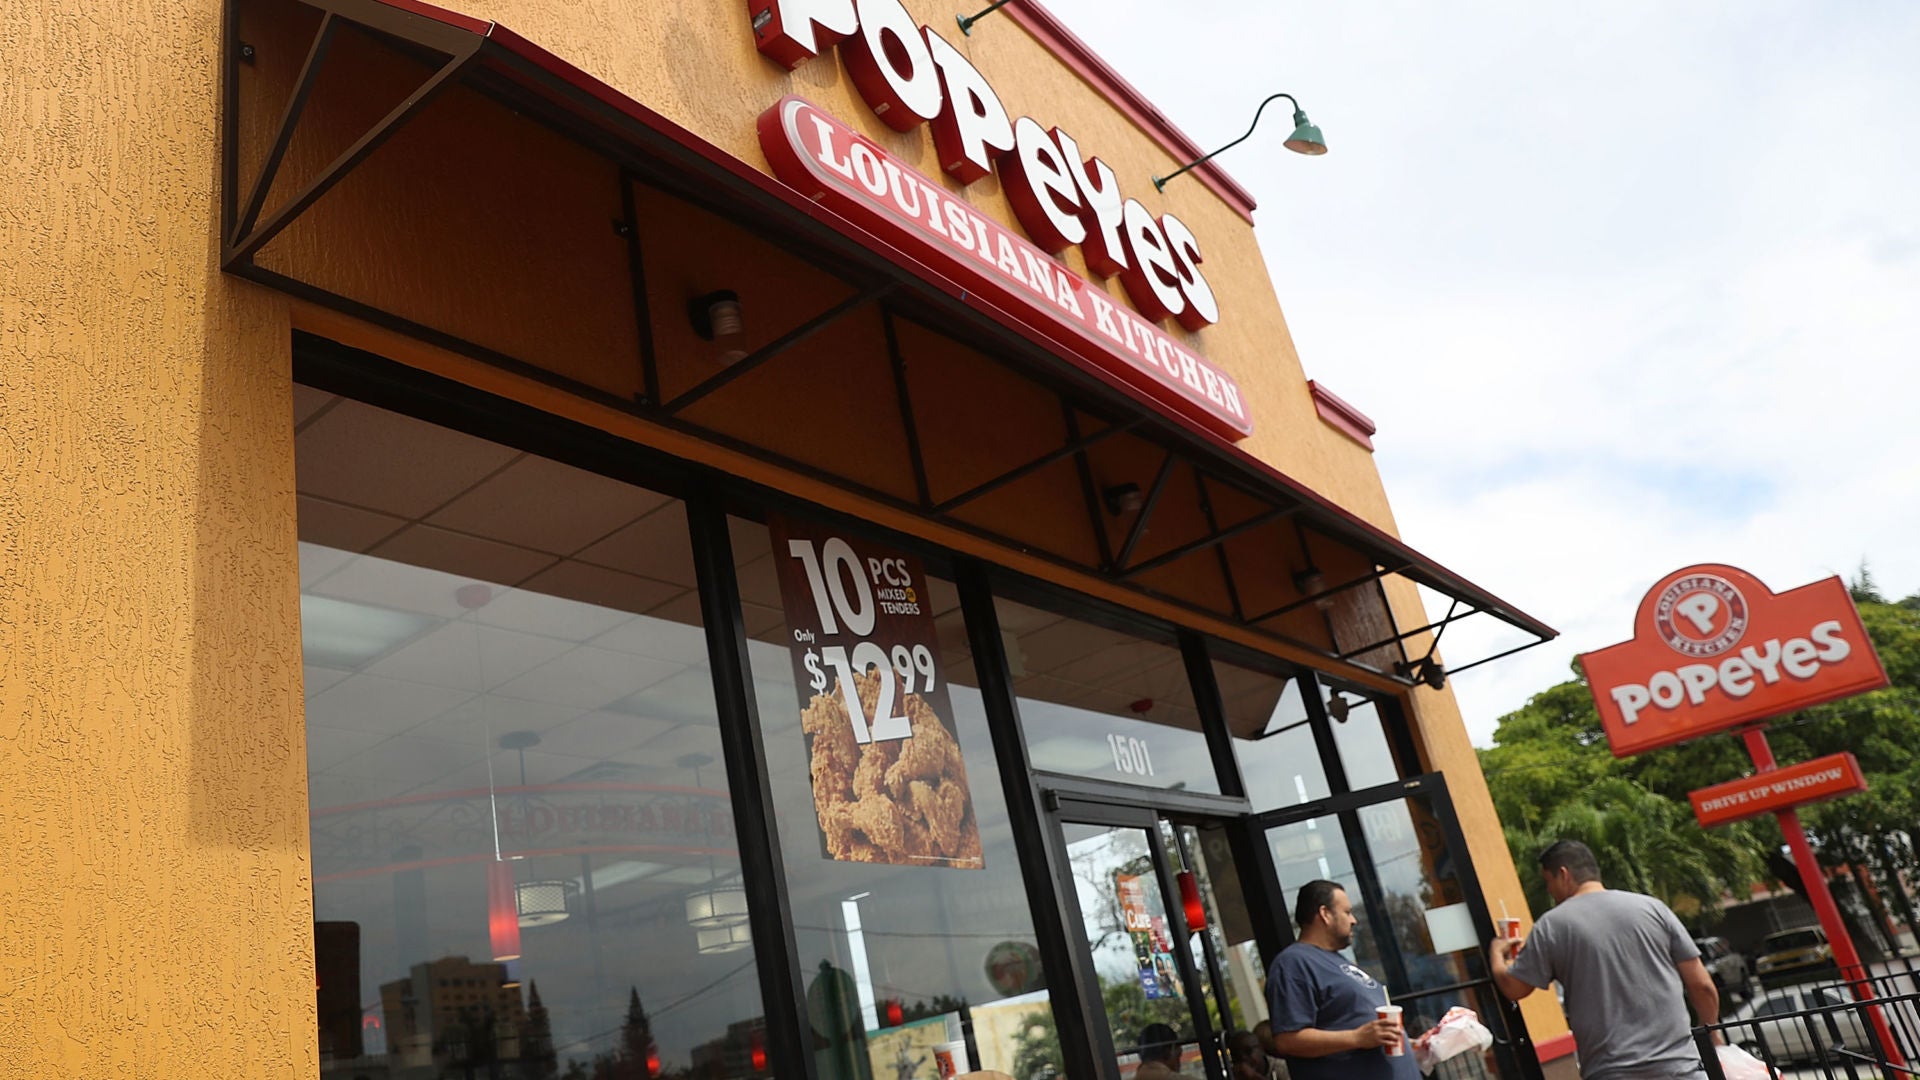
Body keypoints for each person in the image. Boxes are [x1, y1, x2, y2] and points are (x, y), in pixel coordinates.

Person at [1491, 839, 1720, 1080]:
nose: (1549, 890)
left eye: (1548, 882)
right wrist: (1711, 1034)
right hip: (1680, 1069)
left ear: (1563, 874)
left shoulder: (1551, 926)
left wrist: (1497, 954)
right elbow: (1702, 985)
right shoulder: (1654, 908)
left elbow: (1514, 988)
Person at [1266, 880, 1416, 1080]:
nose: (1353, 920)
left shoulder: (1337, 961)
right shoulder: (1293, 964)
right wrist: (1356, 1038)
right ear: (1325, 914)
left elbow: (1354, 1020)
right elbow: (1287, 1040)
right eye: (1347, 912)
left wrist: (1408, 1042)